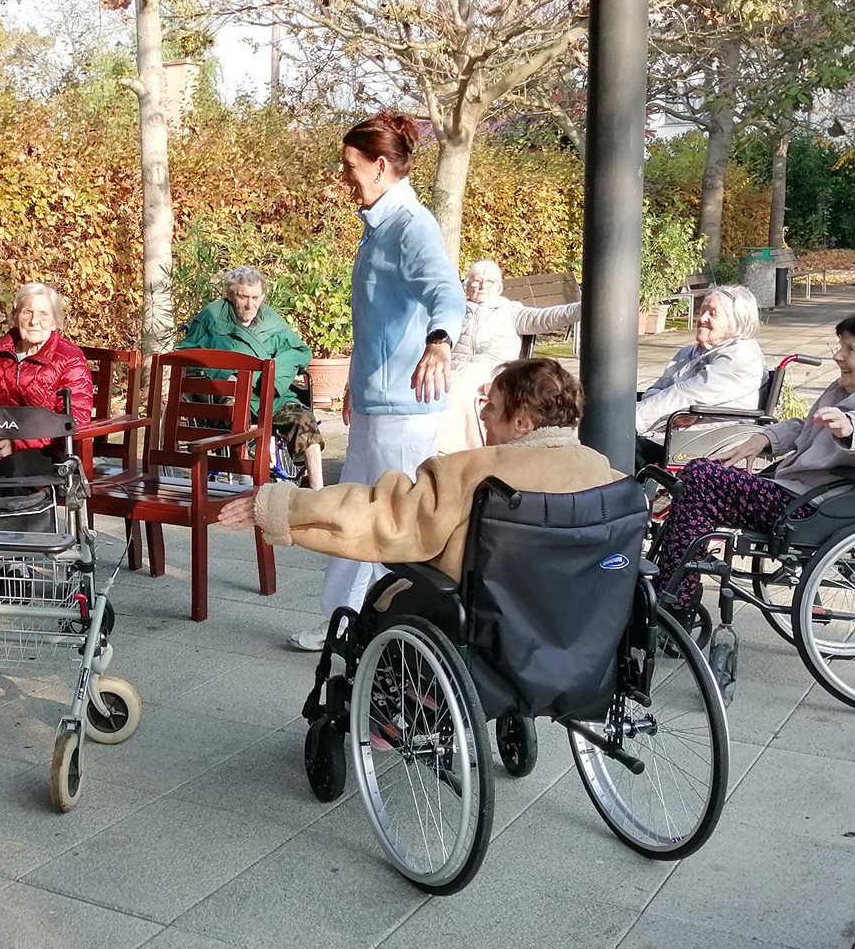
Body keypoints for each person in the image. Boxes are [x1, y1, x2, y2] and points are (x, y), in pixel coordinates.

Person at [289, 111, 466, 651]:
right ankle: (341, 623)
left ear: (381, 166)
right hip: (374, 402)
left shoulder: (411, 225)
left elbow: (446, 292)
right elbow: (378, 322)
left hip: (404, 410)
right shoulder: (378, 226)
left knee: (395, 523)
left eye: (351, 165)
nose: (345, 175)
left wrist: (440, 341)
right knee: (354, 512)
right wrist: (354, 383)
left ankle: (402, 630)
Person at [220, 357, 615, 589]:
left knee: (387, 600)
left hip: (487, 624)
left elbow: (379, 515)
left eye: (492, 407)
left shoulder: (476, 472)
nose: (482, 414)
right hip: (573, 629)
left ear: (523, 423)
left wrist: (279, 504)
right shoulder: (606, 476)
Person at [651, 307, 855, 617]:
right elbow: (810, 427)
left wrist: (853, 427)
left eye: (850, 349)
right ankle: (670, 588)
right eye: (841, 346)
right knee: (698, 477)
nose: (838, 356)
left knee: (701, 478)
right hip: (808, 493)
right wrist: (764, 439)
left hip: (820, 505)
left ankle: (674, 600)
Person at [179, 265, 325, 489]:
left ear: (263, 296)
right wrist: (223, 375)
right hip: (232, 393)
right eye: (243, 297)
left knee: (305, 419)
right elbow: (186, 355)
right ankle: (246, 481)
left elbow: (299, 351)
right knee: (235, 413)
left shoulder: (271, 320)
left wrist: (273, 378)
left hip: (272, 395)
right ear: (230, 295)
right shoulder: (212, 317)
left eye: (255, 297)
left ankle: (318, 491)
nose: (250, 305)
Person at [0, 283, 93, 481]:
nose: (34, 321)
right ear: (16, 317)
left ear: (55, 322)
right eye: (27, 312)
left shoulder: (70, 358)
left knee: (7, 472)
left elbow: (74, 418)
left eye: (43, 314)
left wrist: (17, 444)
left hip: (49, 450)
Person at [439, 259, 582, 453]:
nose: (481, 285)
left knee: (458, 386)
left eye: (489, 281)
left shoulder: (510, 311)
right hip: (452, 369)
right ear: (467, 285)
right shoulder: (453, 311)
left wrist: (582, 308)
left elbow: (546, 318)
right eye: (476, 280)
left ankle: (455, 451)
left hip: (492, 372)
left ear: (498, 287)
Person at [633, 284, 768, 467]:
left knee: (614, 445)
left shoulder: (741, 356)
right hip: (670, 432)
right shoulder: (689, 352)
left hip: (701, 442)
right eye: (702, 311)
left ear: (736, 321)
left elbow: (686, 395)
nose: (702, 318)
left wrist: (631, 420)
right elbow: (658, 389)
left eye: (712, 313)